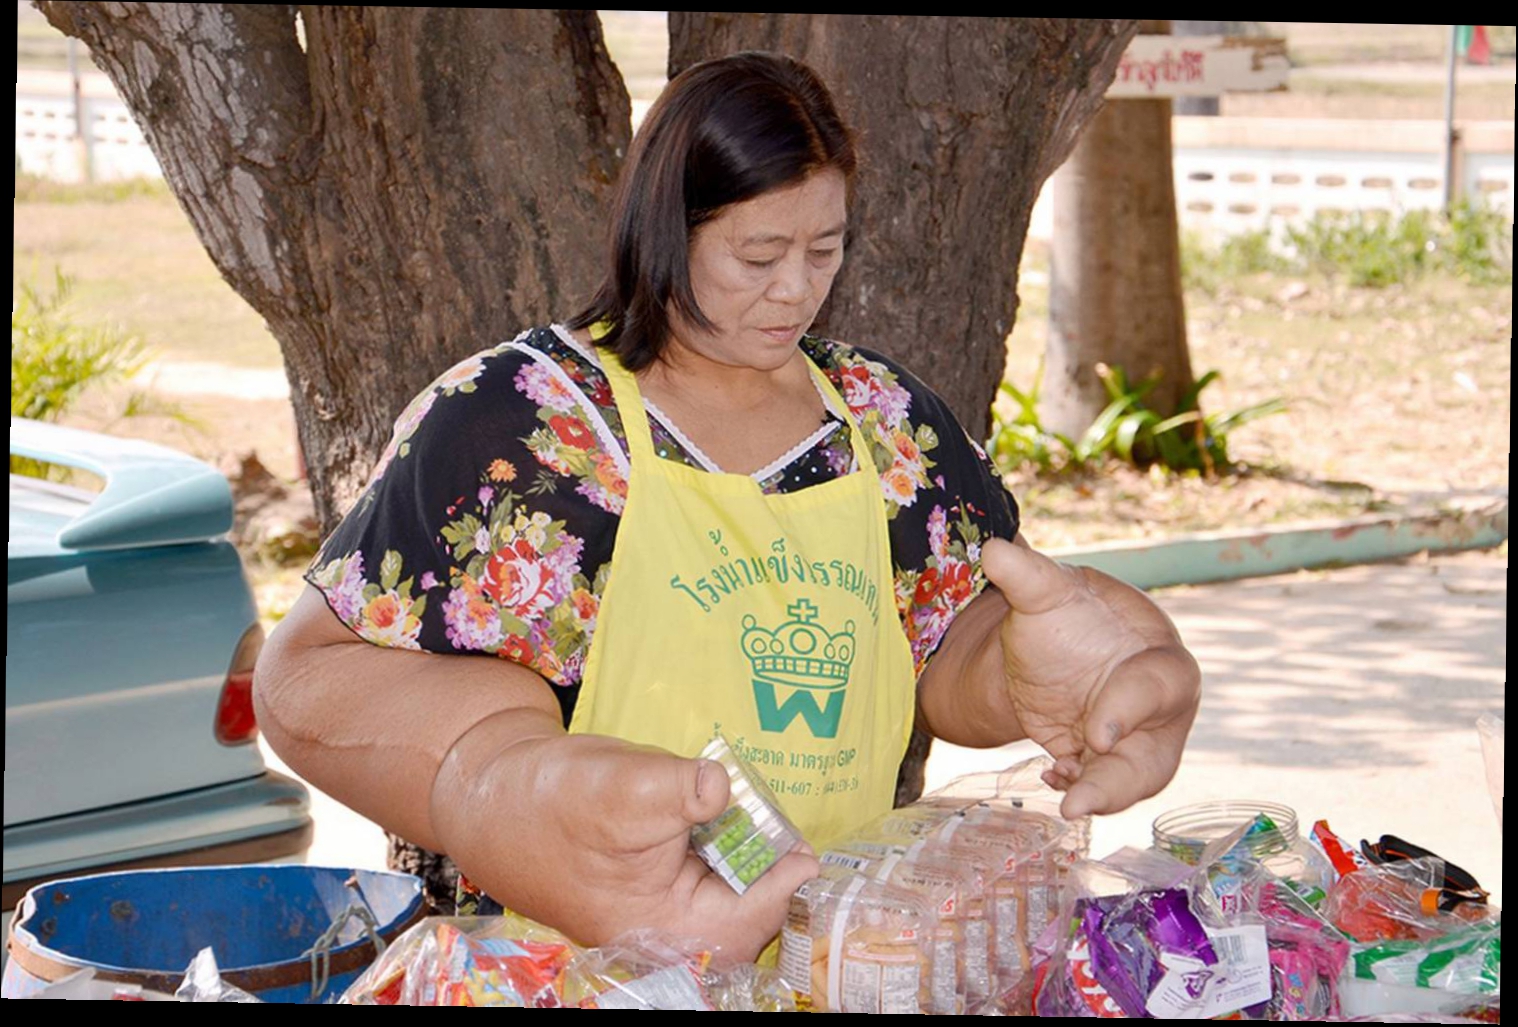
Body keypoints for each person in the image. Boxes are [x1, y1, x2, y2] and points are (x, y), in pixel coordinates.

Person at [253, 51, 1200, 963]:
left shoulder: (885, 422)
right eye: (758, 255)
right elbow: (302, 679)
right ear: (664, 229)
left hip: (830, 968)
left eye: (824, 249)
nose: (797, 288)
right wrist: (490, 774)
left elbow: (946, 651)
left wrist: (1020, 672)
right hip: (552, 972)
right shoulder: (517, 427)